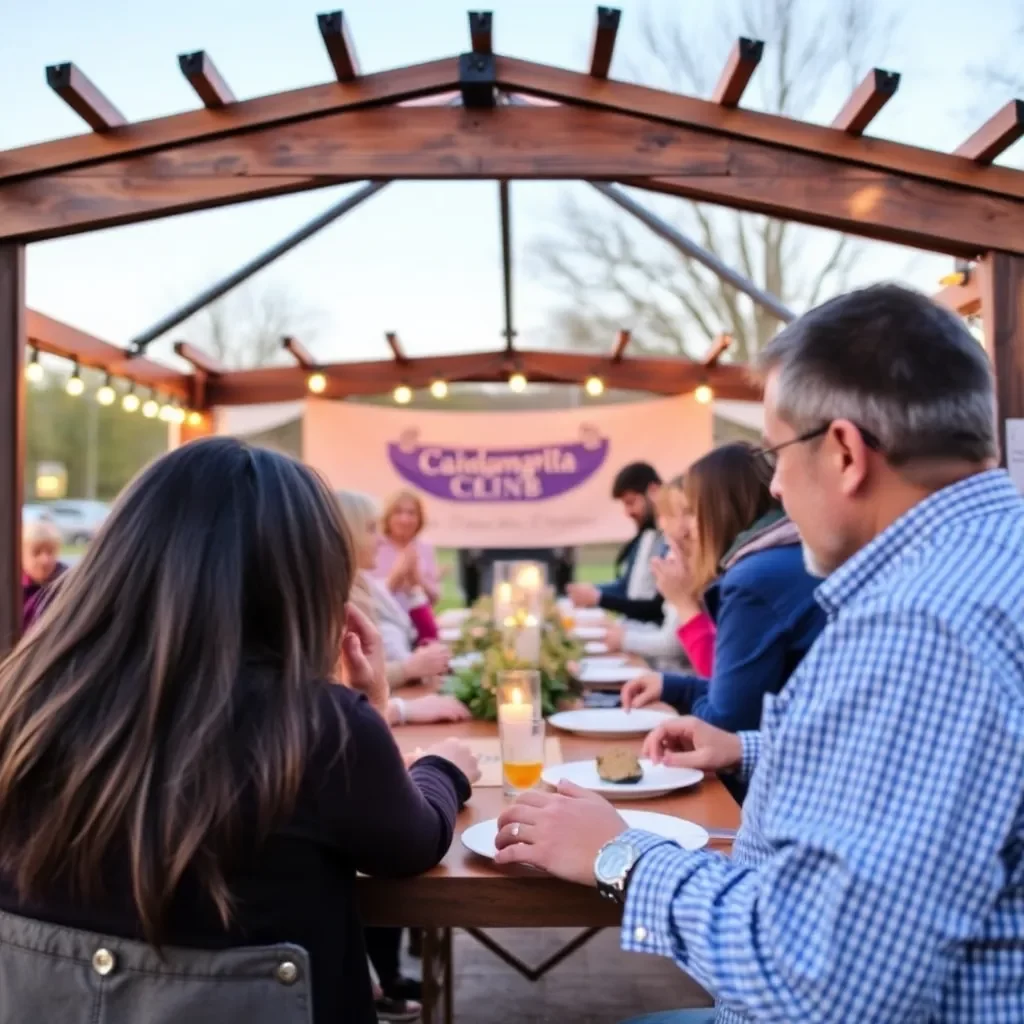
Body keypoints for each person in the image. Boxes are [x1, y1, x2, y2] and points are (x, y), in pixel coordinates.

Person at [492, 284, 1024, 1023]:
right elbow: (950, 776)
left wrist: (619, 857)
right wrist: (746, 748)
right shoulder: (991, 559)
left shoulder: (918, 623)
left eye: (775, 452)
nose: (773, 482)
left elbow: (821, 979)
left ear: (843, 451)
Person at [0, 438, 480, 1024]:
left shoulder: (25, 701)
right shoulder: (318, 728)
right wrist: (444, 768)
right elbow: (410, 842)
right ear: (300, 578)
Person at [621, 444, 825, 734]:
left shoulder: (753, 579)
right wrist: (675, 688)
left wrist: (684, 603)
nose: (682, 530)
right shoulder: (783, 556)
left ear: (720, 511)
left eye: (691, 512)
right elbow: (746, 692)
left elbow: (725, 723)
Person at [336, 490, 452, 689]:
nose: (380, 540)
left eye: (411, 513)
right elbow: (347, 679)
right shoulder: (342, 594)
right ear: (350, 533)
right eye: (372, 529)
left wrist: (417, 581)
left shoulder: (359, 581)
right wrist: (408, 670)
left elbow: (431, 597)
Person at [601, 484, 687, 670]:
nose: (663, 523)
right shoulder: (652, 540)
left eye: (669, 515)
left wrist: (626, 638)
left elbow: (673, 642)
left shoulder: (687, 566)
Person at [567, 462, 664, 624]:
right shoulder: (647, 535)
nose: (628, 513)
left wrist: (599, 598)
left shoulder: (670, 541)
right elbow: (629, 587)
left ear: (654, 491)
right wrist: (594, 592)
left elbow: (657, 608)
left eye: (631, 502)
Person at [21, 517, 68, 633]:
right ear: (20, 555)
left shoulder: (68, 584)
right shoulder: (11, 589)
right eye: (36, 552)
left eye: (51, 552)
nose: (45, 560)